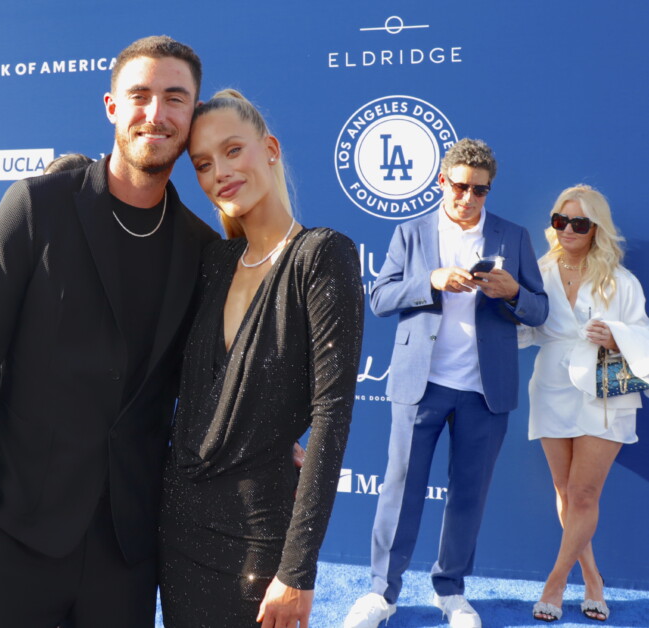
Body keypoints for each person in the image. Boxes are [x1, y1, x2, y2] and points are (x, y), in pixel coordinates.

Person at [0, 35, 218, 628]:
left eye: (176, 98)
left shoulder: (202, 248)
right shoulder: (36, 206)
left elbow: (208, 383)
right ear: (111, 106)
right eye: (139, 94)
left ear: (192, 115)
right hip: (15, 525)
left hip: (127, 546)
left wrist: (276, 440)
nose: (156, 113)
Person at [158, 89, 364, 628]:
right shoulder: (212, 262)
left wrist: (298, 571)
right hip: (178, 530)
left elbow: (333, 415)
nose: (219, 172)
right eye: (203, 164)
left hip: (259, 538)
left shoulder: (322, 256)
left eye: (232, 151)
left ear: (269, 148)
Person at [344, 138, 549, 628]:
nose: (468, 198)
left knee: (468, 495)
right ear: (442, 182)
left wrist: (514, 291)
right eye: (460, 186)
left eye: (480, 190)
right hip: (423, 383)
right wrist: (431, 280)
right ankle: (382, 593)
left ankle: (452, 592)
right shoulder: (411, 233)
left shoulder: (513, 237)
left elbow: (540, 309)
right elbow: (380, 298)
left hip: (485, 388)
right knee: (399, 490)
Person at [521, 185, 648, 623]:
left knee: (584, 491)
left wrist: (618, 336)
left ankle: (555, 583)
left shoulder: (620, 280)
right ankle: (593, 579)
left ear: (596, 228)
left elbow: (644, 335)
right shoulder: (537, 272)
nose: (569, 230)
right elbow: (526, 331)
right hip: (552, 385)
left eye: (580, 222)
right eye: (561, 221)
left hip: (605, 389)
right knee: (564, 492)